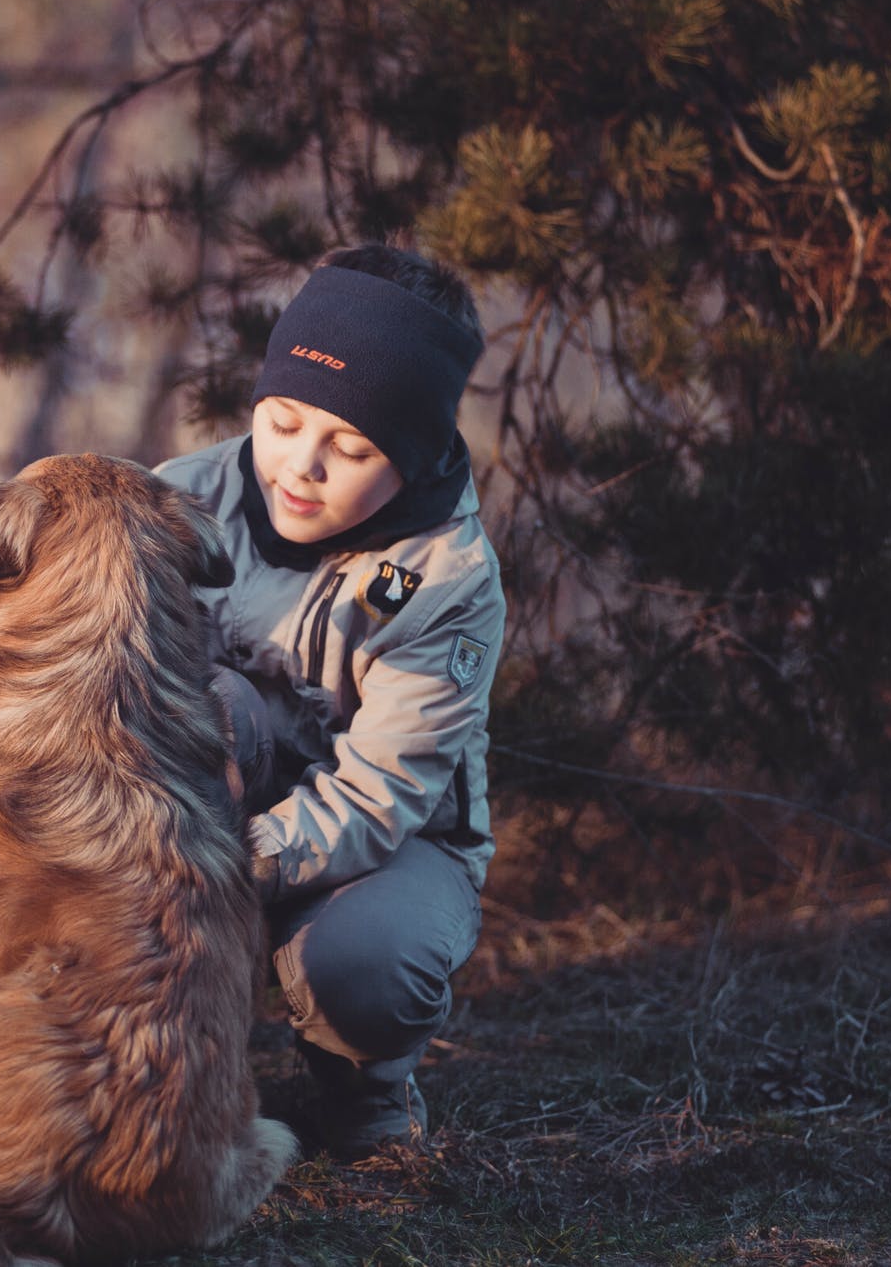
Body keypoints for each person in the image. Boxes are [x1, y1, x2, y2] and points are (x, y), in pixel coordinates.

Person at [154, 244, 503, 1158]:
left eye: (350, 447)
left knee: (368, 965)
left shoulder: (446, 580)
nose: (300, 466)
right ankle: (137, 1062)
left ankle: (364, 1084)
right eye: (281, 421)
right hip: (203, 805)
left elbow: (382, 795)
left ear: (416, 452)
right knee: (216, 700)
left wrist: (219, 868)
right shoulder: (178, 500)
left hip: (382, 848)